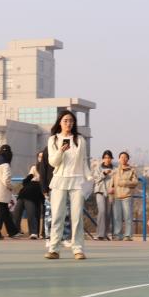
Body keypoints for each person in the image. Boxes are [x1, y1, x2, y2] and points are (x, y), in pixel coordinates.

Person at [44, 110, 92, 260]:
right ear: (60, 122)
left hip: (77, 181)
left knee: (77, 216)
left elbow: (84, 162)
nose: (68, 123)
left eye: (71, 121)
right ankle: (54, 249)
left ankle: (78, 249)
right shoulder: (53, 139)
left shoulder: (80, 140)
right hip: (59, 180)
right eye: (65, 120)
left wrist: (90, 178)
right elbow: (53, 162)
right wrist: (61, 150)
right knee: (57, 215)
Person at [111, 151, 139, 241]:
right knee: (117, 217)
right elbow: (112, 183)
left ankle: (128, 235)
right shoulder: (115, 170)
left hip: (127, 195)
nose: (123, 159)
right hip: (116, 196)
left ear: (128, 159)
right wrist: (111, 189)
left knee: (128, 216)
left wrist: (124, 183)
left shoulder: (132, 170)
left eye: (125, 157)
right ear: (119, 159)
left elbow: (135, 182)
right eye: (121, 157)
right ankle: (117, 235)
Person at [12, 169, 44, 239]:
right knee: (16, 213)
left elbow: (43, 189)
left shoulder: (41, 182)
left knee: (31, 214)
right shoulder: (29, 181)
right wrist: (31, 174)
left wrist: (39, 176)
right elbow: (24, 182)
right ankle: (15, 231)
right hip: (22, 196)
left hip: (31, 198)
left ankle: (33, 232)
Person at [91, 150, 114, 240]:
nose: (107, 159)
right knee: (102, 211)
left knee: (108, 213)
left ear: (111, 159)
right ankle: (99, 234)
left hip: (110, 192)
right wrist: (104, 173)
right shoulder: (98, 168)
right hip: (100, 191)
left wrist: (113, 187)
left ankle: (106, 233)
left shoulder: (115, 169)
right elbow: (96, 179)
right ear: (103, 159)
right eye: (105, 157)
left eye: (109, 158)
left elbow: (116, 180)